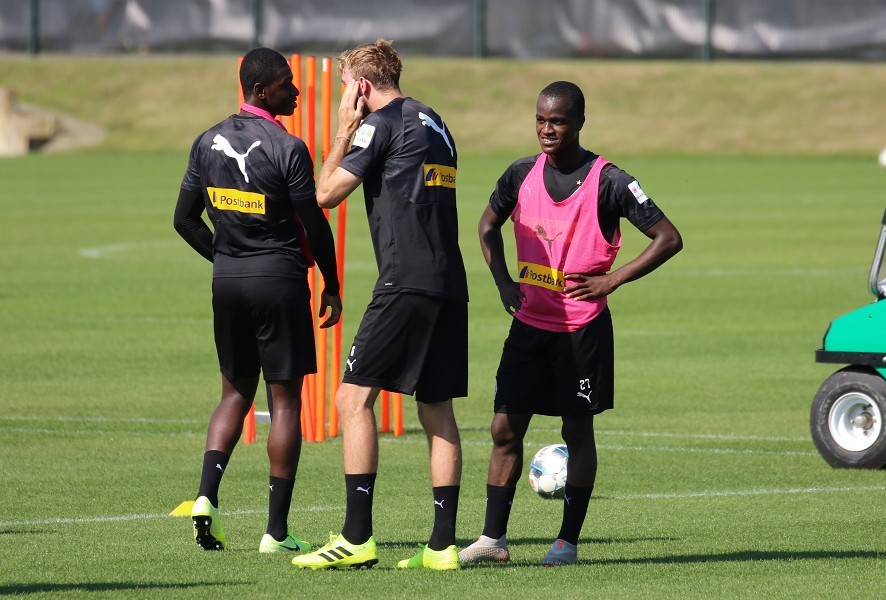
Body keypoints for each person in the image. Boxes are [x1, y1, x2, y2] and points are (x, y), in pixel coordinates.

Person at [459, 81, 683, 566]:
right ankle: (492, 541)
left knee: (577, 432)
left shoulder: (611, 181)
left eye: (557, 121)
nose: (546, 129)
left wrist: (613, 280)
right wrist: (502, 282)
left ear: (579, 122)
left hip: (582, 331)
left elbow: (668, 237)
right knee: (503, 428)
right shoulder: (520, 173)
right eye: (540, 119)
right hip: (530, 327)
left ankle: (567, 543)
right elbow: (485, 226)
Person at [291, 39, 468, 571]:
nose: (345, 95)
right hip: (448, 283)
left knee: (350, 401)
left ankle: (356, 538)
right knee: (437, 409)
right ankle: (442, 548)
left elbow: (324, 194)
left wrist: (343, 129)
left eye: (346, 86)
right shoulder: (436, 121)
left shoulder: (379, 122)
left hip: (405, 282)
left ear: (362, 86)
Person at [173, 47, 342, 554]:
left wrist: (226, 257)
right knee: (285, 401)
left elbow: (183, 219)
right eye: (288, 84)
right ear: (262, 90)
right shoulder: (288, 147)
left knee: (233, 394)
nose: (295, 91)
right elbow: (314, 224)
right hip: (279, 280)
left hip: (227, 281)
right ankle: (276, 531)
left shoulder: (206, 142)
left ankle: (206, 497)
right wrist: (332, 284)